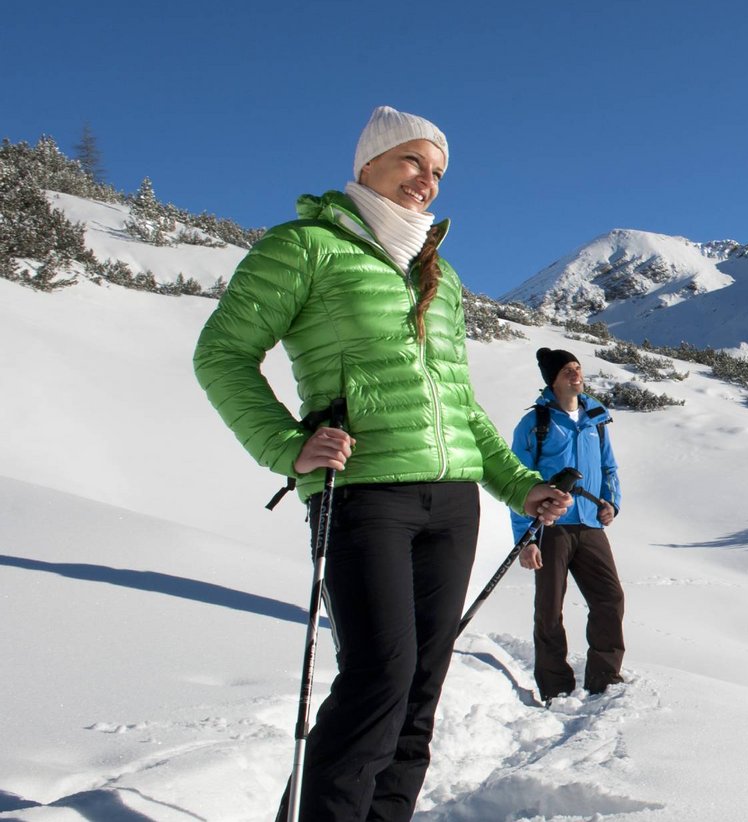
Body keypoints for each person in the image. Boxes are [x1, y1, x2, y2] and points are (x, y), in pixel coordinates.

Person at [192, 105, 572, 822]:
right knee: (377, 678)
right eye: (411, 163)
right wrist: (285, 445)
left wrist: (521, 487)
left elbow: (457, 406)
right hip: (365, 494)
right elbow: (221, 355)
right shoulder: (305, 246)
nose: (425, 181)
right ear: (368, 163)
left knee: (421, 688)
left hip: (453, 501)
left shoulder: (441, 272)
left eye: (437, 172)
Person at [512, 347, 627, 702]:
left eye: (577, 367)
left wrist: (612, 503)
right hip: (550, 526)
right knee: (549, 608)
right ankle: (555, 686)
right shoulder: (536, 424)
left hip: (590, 525)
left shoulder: (596, 418)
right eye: (566, 370)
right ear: (553, 379)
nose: (575, 374)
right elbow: (518, 482)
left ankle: (604, 677)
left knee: (610, 598)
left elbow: (609, 468)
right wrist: (525, 539)